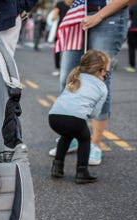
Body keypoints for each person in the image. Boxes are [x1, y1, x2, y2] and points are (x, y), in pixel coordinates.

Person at [50, 0, 130, 166]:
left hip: (109, 16)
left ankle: (95, 142)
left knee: (98, 81)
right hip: (78, 13)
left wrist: (99, 16)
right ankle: (71, 135)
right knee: (68, 78)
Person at [49, 49, 110, 184]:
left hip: (54, 117)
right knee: (85, 139)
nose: (106, 75)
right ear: (99, 71)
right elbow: (94, 114)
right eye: (106, 71)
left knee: (66, 135)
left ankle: (57, 167)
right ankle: (82, 172)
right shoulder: (102, 87)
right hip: (74, 119)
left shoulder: (75, 77)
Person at [49, 0, 73, 75]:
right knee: (70, 50)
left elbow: (54, 17)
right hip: (72, 29)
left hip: (61, 29)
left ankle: (57, 68)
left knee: (57, 50)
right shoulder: (76, 3)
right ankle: (69, 69)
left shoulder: (60, 4)